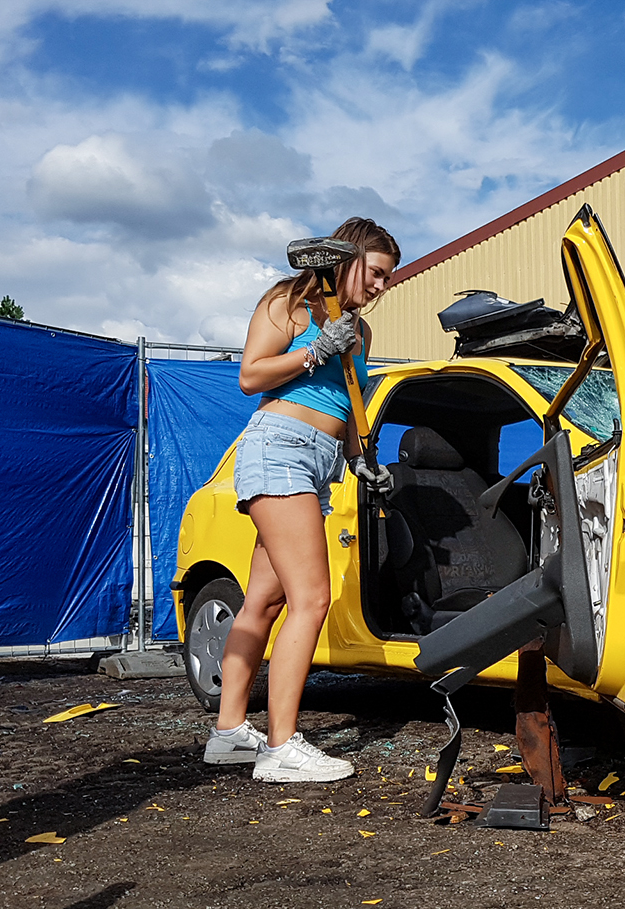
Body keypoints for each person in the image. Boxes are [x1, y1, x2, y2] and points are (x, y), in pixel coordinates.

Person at [202, 217, 400, 783]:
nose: (383, 287)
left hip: (320, 462)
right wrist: (315, 351)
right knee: (311, 599)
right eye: (377, 273)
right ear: (347, 258)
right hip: (279, 447)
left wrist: (363, 458)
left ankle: (230, 732)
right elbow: (251, 376)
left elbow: (349, 404)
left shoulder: (358, 331)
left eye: (390, 279)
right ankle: (282, 745)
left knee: (263, 601)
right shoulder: (287, 303)